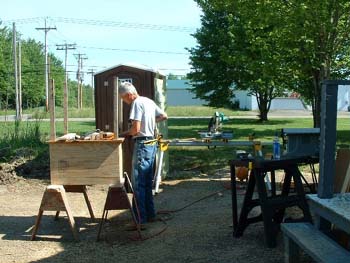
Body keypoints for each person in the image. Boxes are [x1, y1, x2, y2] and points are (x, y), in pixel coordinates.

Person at [119, 81, 168, 228]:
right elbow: (164, 116)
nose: (125, 102)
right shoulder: (149, 101)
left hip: (142, 144)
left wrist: (124, 134)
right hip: (152, 144)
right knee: (146, 182)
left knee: (139, 183)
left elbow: (135, 129)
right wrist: (151, 122)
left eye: (124, 99)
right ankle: (150, 214)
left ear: (129, 95)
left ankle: (140, 219)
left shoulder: (136, 103)